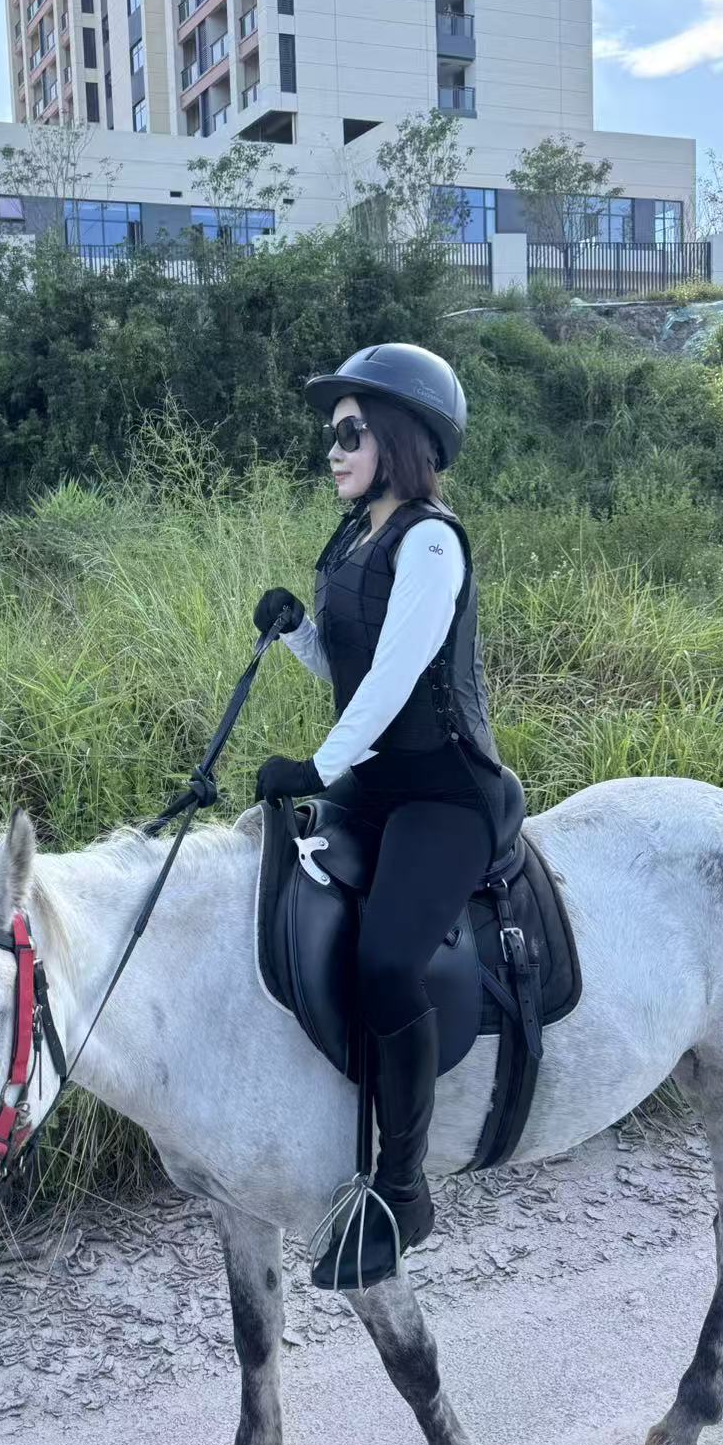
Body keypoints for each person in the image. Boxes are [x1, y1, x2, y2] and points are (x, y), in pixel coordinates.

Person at [252, 342, 505, 1292]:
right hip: (376, 781)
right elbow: (350, 667)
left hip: (444, 790)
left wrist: (317, 764)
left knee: (390, 959)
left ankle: (404, 1186)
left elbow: (398, 677)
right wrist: (297, 634)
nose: (334, 449)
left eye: (351, 432)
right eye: (332, 434)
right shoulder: (357, 537)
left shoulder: (431, 542)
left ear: (400, 436)